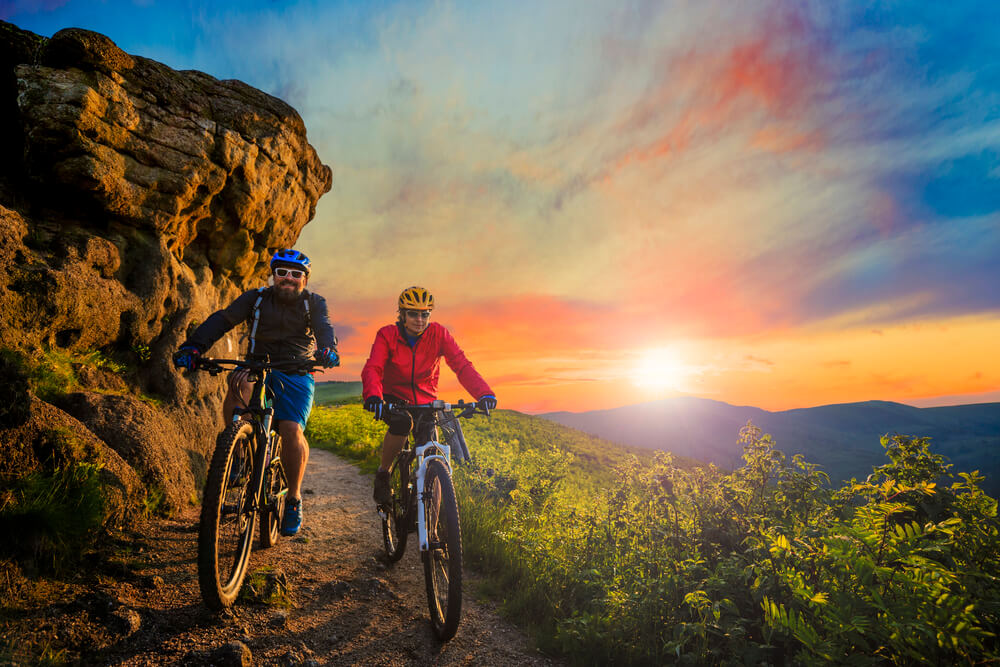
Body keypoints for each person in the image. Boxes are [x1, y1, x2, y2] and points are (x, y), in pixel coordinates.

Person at [172, 249, 339, 536]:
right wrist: (194, 347)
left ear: (305, 279)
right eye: (282, 273)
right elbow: (223, 320)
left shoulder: (314, 302)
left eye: (296, 274)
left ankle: (294, 498)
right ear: (273, 276)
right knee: (239, 385)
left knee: (291, 430)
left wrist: (327, 350)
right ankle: (238, 451)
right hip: (257, 364)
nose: (288, 278)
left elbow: (324, 328)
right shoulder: (256, 298)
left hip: (297, 370)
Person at [361, 286, 497, 506]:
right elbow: (373, 368)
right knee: (402, 423)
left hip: (426, 402)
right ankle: (383, 473)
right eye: (413, 314)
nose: (420, 320)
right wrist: (374, 396)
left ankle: (432, 522)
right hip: (394, 397)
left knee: (432, 455)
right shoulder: (387, 335)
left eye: (425, 314)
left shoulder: (439, 334)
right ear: (402, 314)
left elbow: (461, 365)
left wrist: (484, 393)